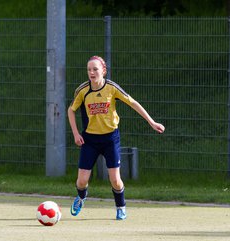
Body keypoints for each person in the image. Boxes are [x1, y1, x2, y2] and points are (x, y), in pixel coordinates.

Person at [67, 55, 165, 220]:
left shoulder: (111, 88)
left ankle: (121, 206)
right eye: (89, 69)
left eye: (95, 69)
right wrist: (76, 133)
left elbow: (133, 103)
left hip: (110, 138)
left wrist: (151, 121)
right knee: (81, 181)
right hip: (89, 140)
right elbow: (71, 110)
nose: (92, 72)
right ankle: (82, 197)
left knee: (115, 179)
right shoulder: (83, 90)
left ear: (103, 71)